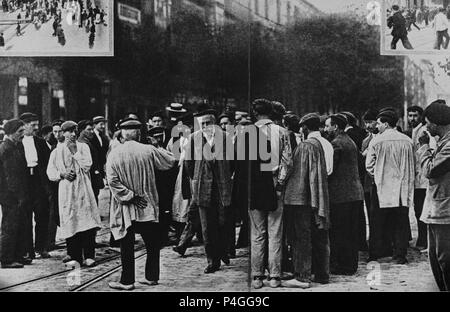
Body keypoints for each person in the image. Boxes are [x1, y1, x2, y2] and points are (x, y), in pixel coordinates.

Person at [106, 118, 176, 290]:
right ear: (138, 133)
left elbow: (112, 181)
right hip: (147, 204)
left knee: (126, 244)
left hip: (126, 207)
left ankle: (127, 281)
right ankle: (151, 277)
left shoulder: (114, 153)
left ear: (122, 133)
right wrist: (157, 145)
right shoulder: (148, 149)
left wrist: (130, 196)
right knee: (152, 242)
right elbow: (171, 161)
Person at [248, 99, 292, 289]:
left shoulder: (246, 133)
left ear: (255, 113)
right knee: (275, 231)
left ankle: (257, 276)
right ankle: (275, 276)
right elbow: (287, 161)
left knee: (257, 233)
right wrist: (280, 183)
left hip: (254, 185)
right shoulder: (282, 132)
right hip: (274, 183)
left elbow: (243, 166)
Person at [184, 108, 234, 274]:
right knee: (207, 228)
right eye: (202, 123)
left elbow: (232, 163)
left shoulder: (226, 138)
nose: (205, 126)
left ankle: (222, 252)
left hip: (221, 188)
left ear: (215, 123)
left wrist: (226, 176)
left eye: (208, 123)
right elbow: (189, 165)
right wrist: (197, 179)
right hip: (202, 188)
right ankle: (212, 260)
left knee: (222, 223)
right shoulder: (193, 139)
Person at [283, 113, 330, 288]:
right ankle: (321, 274)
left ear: (304, 127)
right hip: (314, 197)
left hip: (300, 198)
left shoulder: (305, 146)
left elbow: (298, 175)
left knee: (300, 237)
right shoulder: (319, 144)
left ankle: (302, 276)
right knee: (319, 235)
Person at [47, 121, 102, 268]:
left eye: (74, 131)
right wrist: (62, 174)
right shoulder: (56, 151)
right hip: (67, 189)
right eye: (69, 131)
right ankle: (75, 256)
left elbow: (87, 165)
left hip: (83, 187)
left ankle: (89, 255)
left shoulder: (83, 147)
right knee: (71, 220)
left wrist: (74, 152)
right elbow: (50, 172)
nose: (72, 134)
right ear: (63, 133)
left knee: (87, 220)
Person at [365, 110, 415, 264]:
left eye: (379, 123)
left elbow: (369, 165)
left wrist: (378, 176)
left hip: (381, 187)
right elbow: (413, 162)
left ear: (386, 124)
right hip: (401, 186)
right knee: (400, 221)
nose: (377, 126)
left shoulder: (377, 141)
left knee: (377, 221)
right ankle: (400, 254)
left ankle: (375, 253)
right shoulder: (407, 140)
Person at [325, 114, 364, 275]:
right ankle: (350, 265)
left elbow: (330, 170)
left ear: (335, 127)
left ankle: (342, 266)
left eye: (328, 126)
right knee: (350, 231)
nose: (325, 129)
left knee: (340, 232)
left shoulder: (336, 144)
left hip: (341, 196)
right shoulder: (350, 141)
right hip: (354, 193)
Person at [418, 100, 450, 291]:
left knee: (445, 260)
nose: (426, 127)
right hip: (437, 211)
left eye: (427, 122)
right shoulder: (443, 142)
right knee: (437, 260)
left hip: (445, 213)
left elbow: (430, 170)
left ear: (436, 123)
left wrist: (423, 147)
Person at [19, 113, 52, 260]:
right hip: (24, 181)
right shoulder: (18, 143)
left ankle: (41, 247)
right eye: (33, 125)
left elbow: (47, 162)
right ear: (24, 126)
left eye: (37, 125)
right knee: (25, 216)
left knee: (42, 214)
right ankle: (27, 250)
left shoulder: (40, 142)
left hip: (38, 182)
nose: (36, 128)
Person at [0, 120, 29, 268]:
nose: (23, 134)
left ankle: (17, 256)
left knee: (19, 224)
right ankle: (6, 259)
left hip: (15, 194)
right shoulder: (7, 148)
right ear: (11, 133)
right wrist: (18, 195)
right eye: (20, 132)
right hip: (10, 195)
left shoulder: (15, 146)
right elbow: (10, 176)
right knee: (10, 225)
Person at [407, 106, 435, 251]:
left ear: (421, 116)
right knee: (418, 210)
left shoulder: (424, 131)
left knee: (421, 209)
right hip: (418, 179)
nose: (412, 118)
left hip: (423, 178)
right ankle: (422, 240)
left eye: (415, 116)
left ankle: (425, 241)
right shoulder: (413, 131)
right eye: (410, 116)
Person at [77, 119, 104, 202]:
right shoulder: (82, 144)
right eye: (89, 129)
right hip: (89, 176)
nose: (92, 132)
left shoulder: (88, 142)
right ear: (81, 131)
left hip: (92, 175)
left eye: (92, 129)